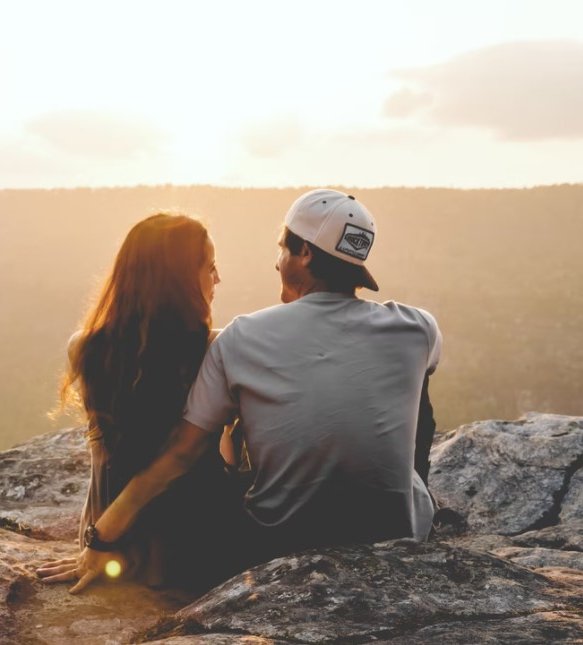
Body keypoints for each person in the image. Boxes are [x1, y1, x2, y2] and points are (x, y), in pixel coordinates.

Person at [39, 189, 441, 593]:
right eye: (210, 267)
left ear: (303, 253)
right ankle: (405, 499)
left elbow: (178, 454)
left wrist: (100, 536)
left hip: (275, 543)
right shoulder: (419, 327)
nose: (276, 260)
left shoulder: (241, 339)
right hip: (397, 537)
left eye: (283, 248)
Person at [37, 212, 236, 592]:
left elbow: (102, 459)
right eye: (210, 267)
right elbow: (186, 457)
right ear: (178, 282)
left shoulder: (84, 347)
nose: (218, 278)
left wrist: (96, 542)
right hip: (197, 544)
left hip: (116, 545)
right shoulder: (217, 348)